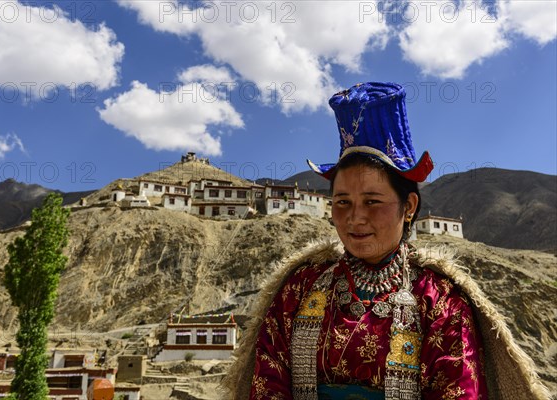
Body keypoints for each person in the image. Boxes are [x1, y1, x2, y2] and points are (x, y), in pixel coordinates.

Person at [221, 82, 551, 400]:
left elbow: (457, 388)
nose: (355, 218)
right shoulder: (298, 288)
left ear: (408, 207)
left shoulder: (438, 300)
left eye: (373, 201)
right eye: (342, 202)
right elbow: (268, 383)